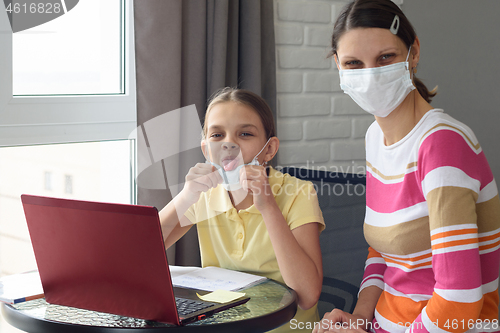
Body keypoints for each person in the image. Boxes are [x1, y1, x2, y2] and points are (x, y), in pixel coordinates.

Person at [314, 1, 500, 332]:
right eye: (354, 63)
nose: (370, 75)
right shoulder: (375, 138)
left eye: (385, 58)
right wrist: (358, 320)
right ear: (338, 67)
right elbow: (382, 250)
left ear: (413, 53)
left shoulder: (442, 143)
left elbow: (460, 297)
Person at [159, 87, 325, 332]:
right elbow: (140, 253)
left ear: (268, 149)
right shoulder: (204, 195)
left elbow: (308, 295)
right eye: (217, 135)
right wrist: (186, 196)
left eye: (245, 134)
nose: (229, 145)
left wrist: (268, 207)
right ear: (206, 150)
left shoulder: (298, 193)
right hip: (224, 325)